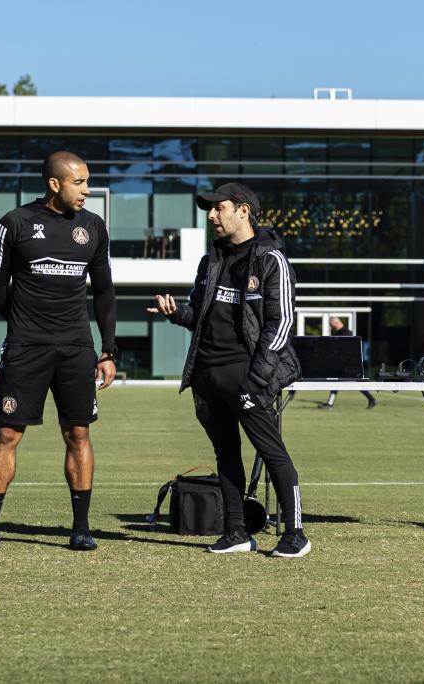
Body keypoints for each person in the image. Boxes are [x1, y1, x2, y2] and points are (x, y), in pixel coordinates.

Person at [0, 150, 117, 553]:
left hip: (76, 349)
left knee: (78, 433)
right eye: (78, 182)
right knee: (7, 434)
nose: (86, 190)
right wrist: (22, 324)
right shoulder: (13, 224)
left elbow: (104, 293)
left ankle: (81, 528)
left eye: (87, 181)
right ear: (54, 184)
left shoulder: (93, 227)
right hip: (26, 348)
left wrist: (108, 350)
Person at [147, 182, 310, 558]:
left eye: (218, 208)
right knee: (226, 454)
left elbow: (281, 322)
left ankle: (296, 533)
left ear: (243, 211)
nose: (211, 216)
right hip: (208, 374)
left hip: (247, 377)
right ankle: (237, 531)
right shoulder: (212, 260)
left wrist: (256, 378)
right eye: (210, 209)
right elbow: (198, 315)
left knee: (273, 453)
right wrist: (176, 314)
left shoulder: (271, 259)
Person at [319, 316, 376, 410]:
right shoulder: (340, 333)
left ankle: (371, 399)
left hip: (348, 365)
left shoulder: (346, 333)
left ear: (336, 323)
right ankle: (330, 403)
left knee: (356, 383)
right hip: (344, 365)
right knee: (337, 382)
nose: (331, 328)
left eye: (331, 325)